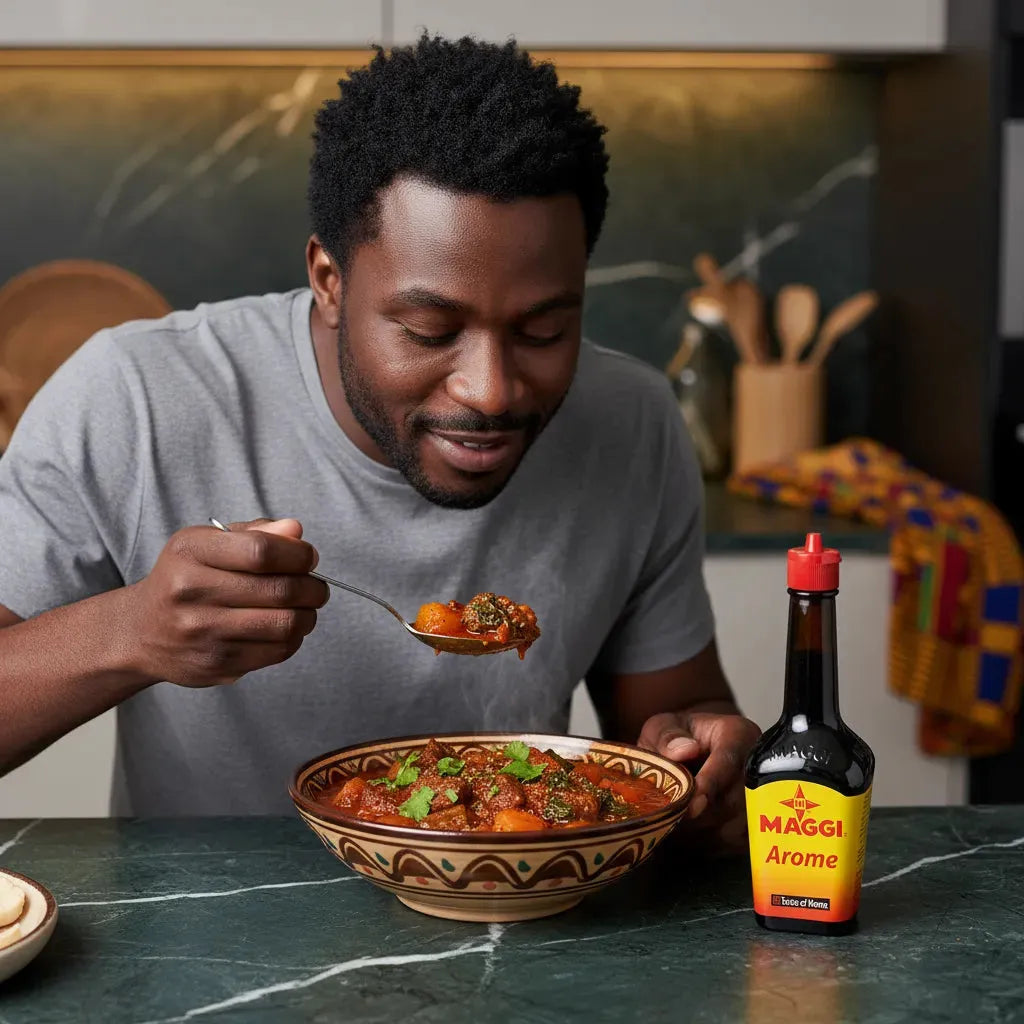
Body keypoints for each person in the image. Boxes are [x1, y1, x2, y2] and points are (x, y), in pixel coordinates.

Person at [0, 35, 759, 843]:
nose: (492, 390)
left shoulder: (632, 423)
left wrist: (708, 752)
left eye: (544, 331)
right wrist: (129, 631)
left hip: (518, 922)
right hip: (209, 942)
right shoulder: (138, 396)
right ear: (329, 281)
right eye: (431, 330)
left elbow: (675, 723)